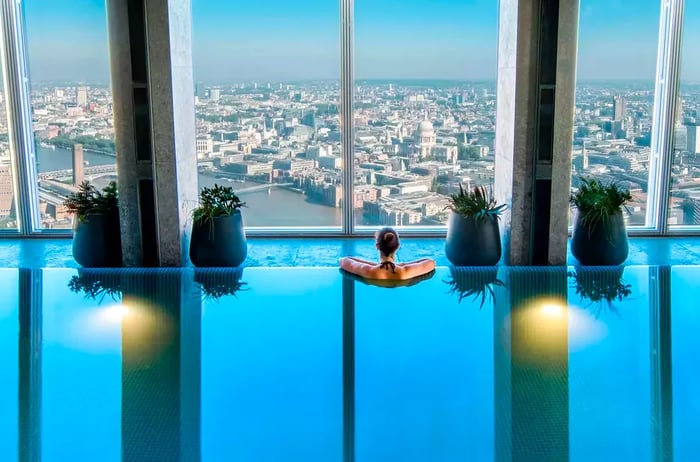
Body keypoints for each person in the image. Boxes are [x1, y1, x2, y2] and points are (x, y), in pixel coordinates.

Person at [339, 227, 436, 281]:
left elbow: (344, 261)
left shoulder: (368, 270)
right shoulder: (406, 271)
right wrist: (401, 265)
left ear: (377, 246)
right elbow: (430, 262)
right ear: (398, 246)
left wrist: (375, 265)